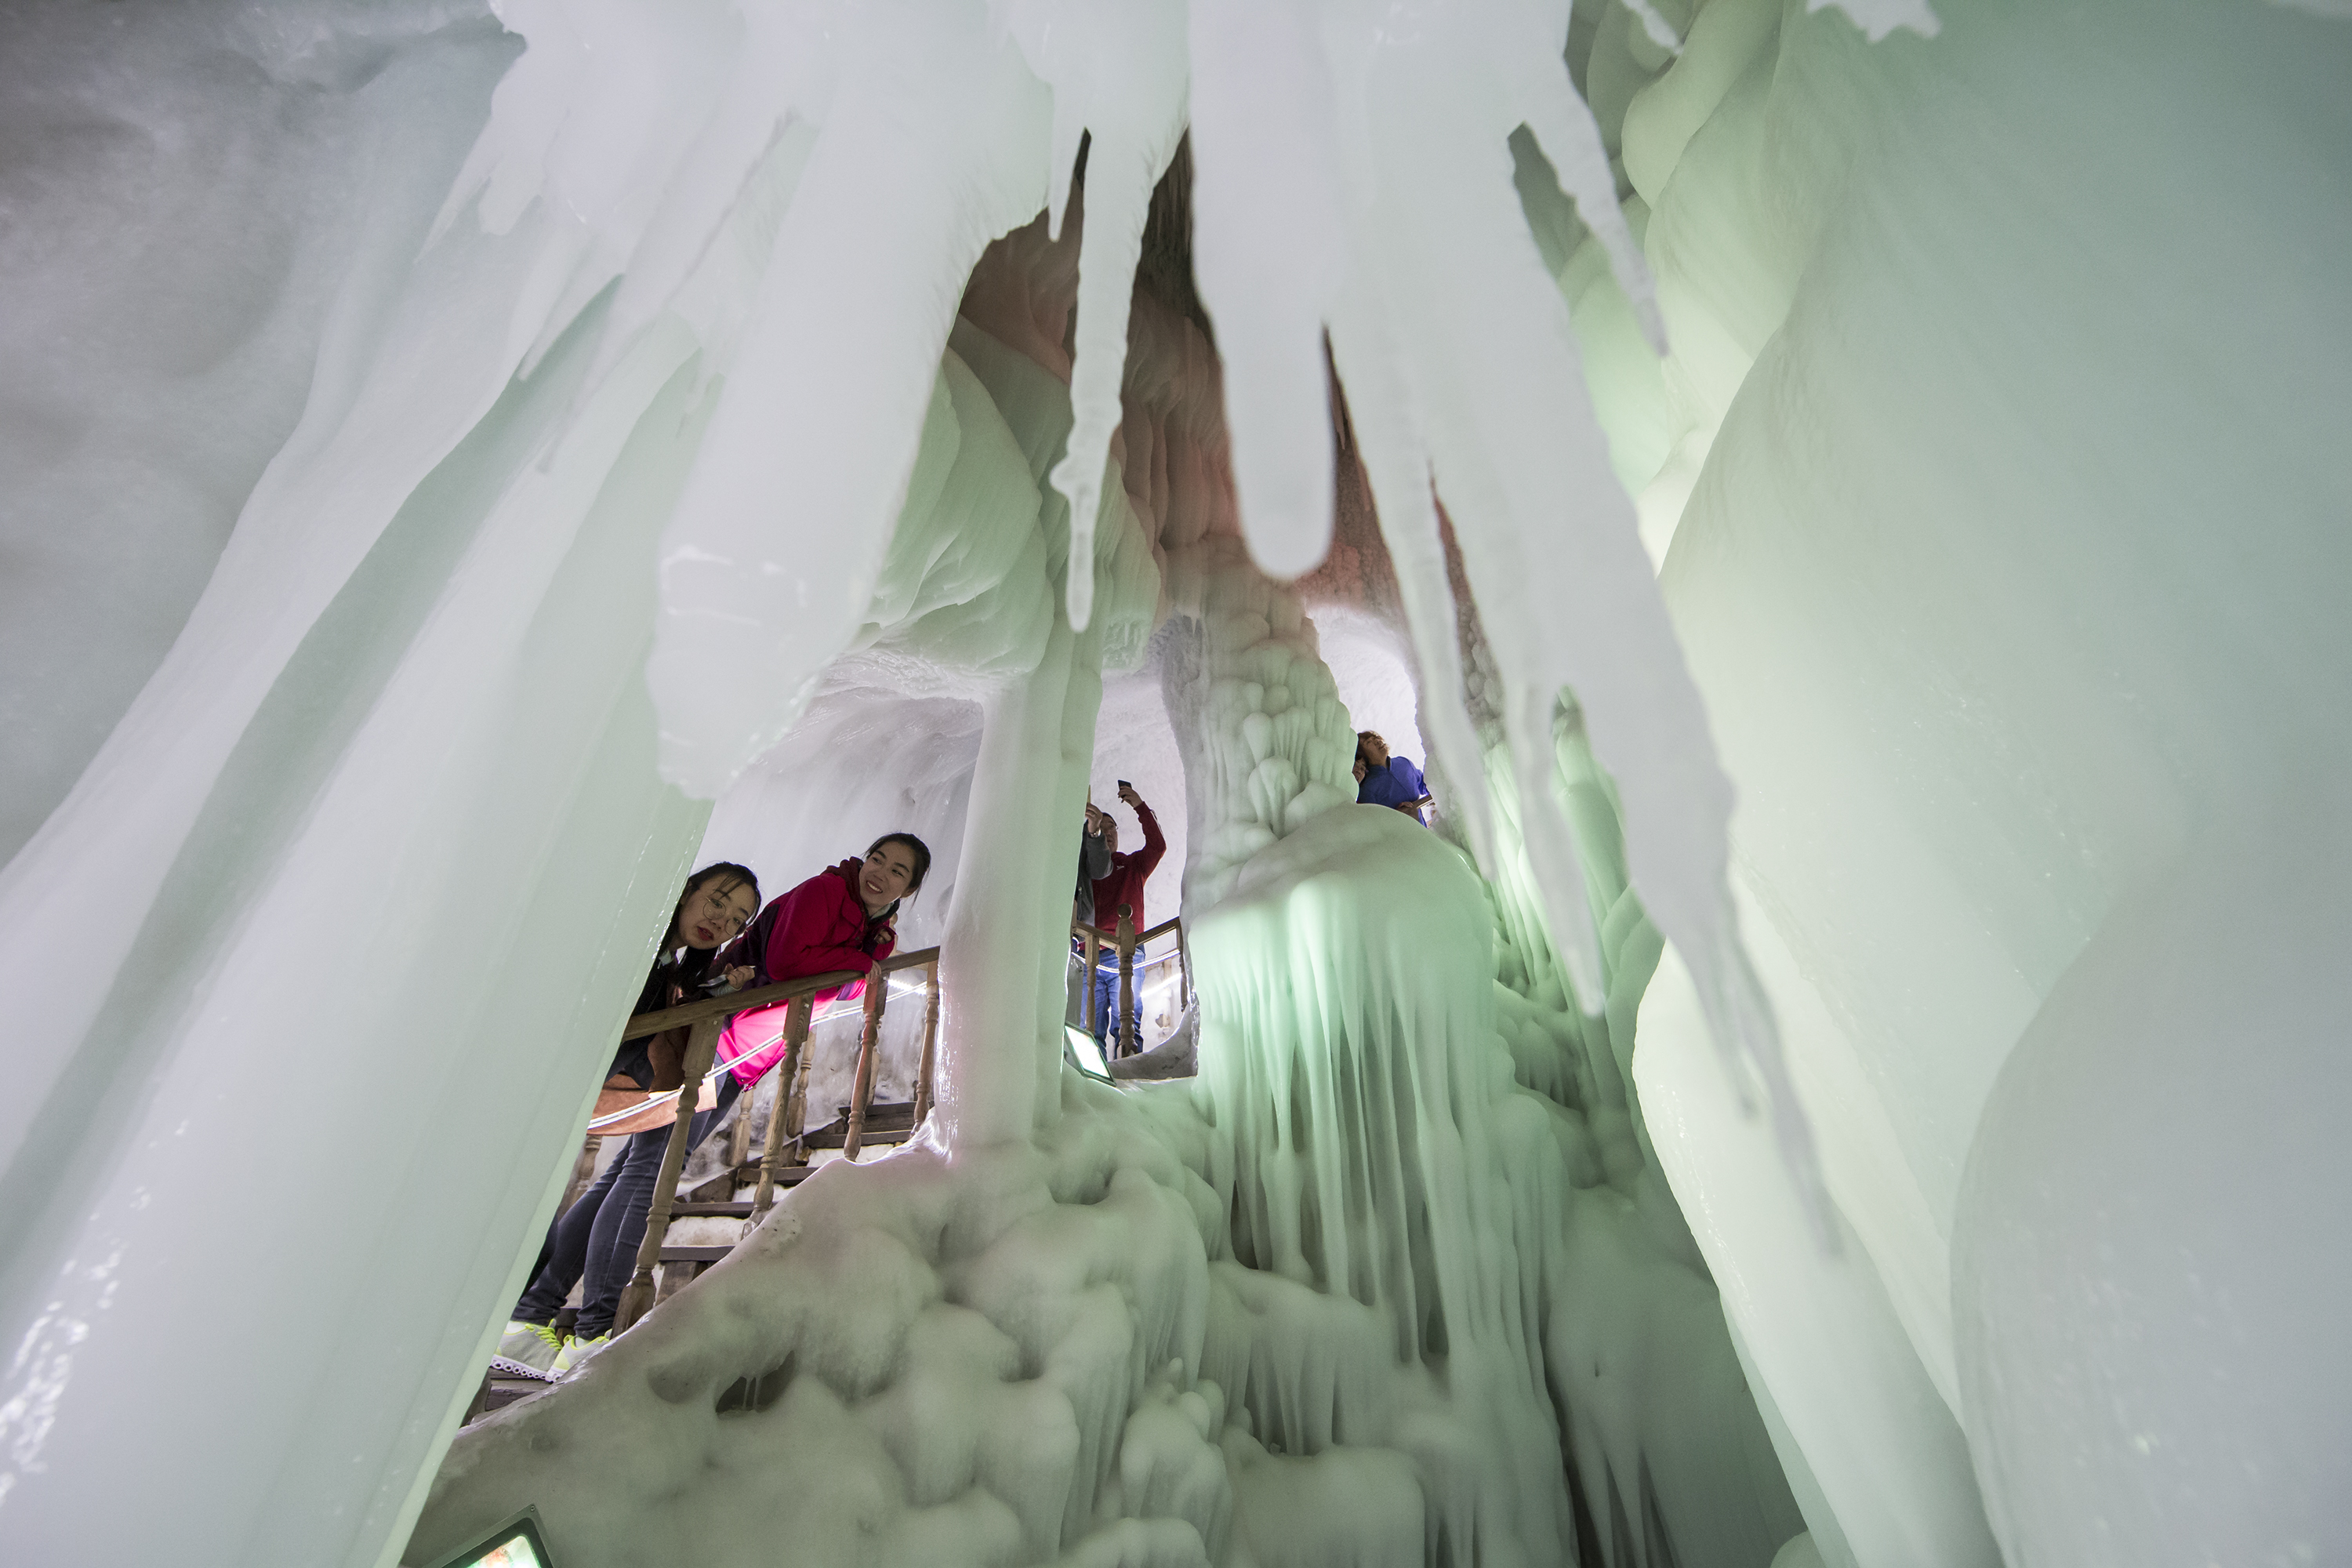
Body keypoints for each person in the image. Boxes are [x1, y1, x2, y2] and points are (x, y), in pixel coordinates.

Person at [492, 862, 760, 1381]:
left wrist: (717, 996)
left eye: (737, 919)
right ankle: (591, 1333)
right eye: (717, 901)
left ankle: (535, 1324)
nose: (721, 920)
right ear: (688, 890)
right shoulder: (640, 949)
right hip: (540, 1095)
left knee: (585, 1202)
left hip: (559, 1100)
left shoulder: (669, 965)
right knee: (629, 1182)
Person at [710, 832, 931, 1091]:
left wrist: (873, 951)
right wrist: (856, 958)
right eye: (877, 860)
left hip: (752, 1051)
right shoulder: (824, 891)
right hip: (719, 1029)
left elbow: (848, 989)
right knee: (668, 1127)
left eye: (896, 872)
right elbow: (784, 964)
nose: (880, 873)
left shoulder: (870, 924)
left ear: (909, 889)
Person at [1082, 782, 1165, 1052]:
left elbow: (1158, 845)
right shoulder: (1085, 873)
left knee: (1127, 1024)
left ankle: (1131, 1075)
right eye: (1101, 829)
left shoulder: (1132, 866)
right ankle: (1094, 1084)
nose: (1108, 834)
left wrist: (1139, 806)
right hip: (1089, 955)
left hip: (1126, 954)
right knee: (1090, 1028)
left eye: (1112, 829)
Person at [1354, 731, 1432, 824]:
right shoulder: (1367, 790)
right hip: (1400, 838)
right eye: (1369, 742)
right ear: (1363, 755)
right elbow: (1372, 826)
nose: (1377, 741)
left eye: (1376, 738)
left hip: (1424, 833)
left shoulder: (1404, 764)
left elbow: (1427, 785)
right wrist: (1396, 816)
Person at [1073, 803, 1112, 927]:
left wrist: (1095, 832)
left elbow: (1099, 870)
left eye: (1111, 827)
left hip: (1078, 922)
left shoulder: (1113, 863)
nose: (1107, 833)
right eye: (1101, 826)